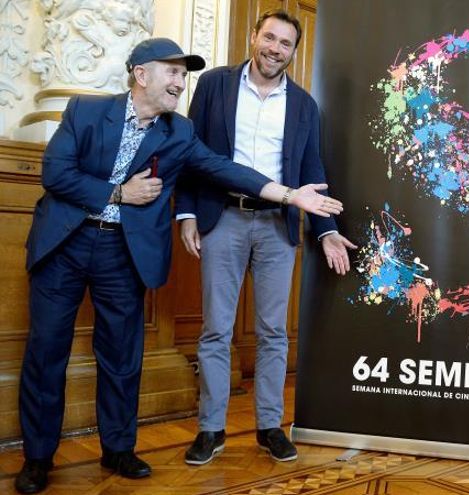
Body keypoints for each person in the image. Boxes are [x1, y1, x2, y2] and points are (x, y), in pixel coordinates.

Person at [14, 38, 344, 495]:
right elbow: (55, 173)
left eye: (183, 74)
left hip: (121, 253)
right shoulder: (86, 112)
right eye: (171, 72)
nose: (179, 82)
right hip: (64, 246)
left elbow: (226, 170)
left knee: (122, 357)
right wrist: (117, 194)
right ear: (141, 74)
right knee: (46, 353)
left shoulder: (178, 133)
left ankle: (118, 449)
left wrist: (290, 195)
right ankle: (37, 458)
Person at [175, 9, 355, 466]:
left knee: (274, 333)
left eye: (285, 44)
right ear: (254, 36)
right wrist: (188, 212)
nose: (274, 48)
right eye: (269, 37)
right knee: (216, 330)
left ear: (294, 52)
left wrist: (327, 230)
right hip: (223, 218)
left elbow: (312, 171)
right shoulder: (214, 85)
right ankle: (210, 430)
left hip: (278, 225)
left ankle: (269, 426)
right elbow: (192, 155)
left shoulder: (303, 105)